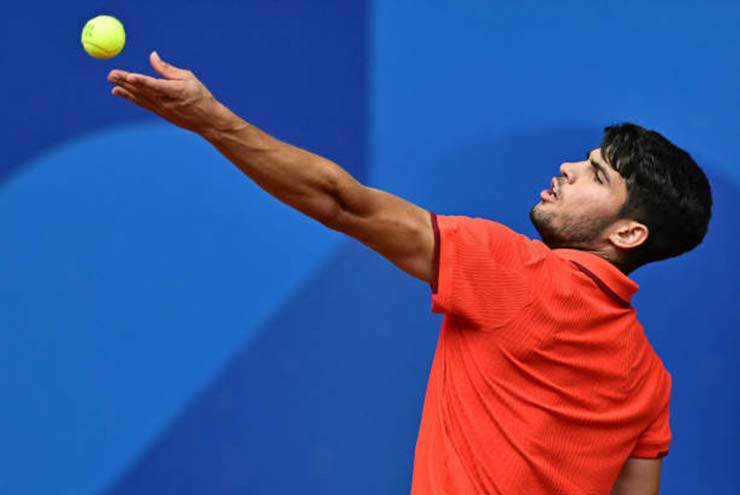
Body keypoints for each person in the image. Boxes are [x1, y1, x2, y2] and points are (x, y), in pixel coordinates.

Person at [107, 52, 712, 495]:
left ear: (627, 234)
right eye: (585, 158)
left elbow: (343, 203)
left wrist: (211, 120)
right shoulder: (649, 382)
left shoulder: (517, 272)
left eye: (596, 175)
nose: (568, 168)